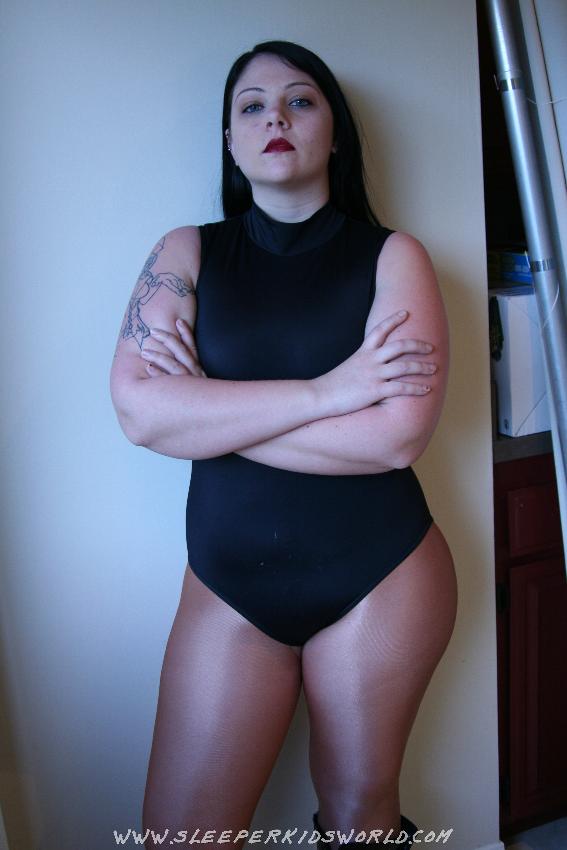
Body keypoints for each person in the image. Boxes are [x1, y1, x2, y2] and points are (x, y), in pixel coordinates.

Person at [110, 40, 457, 850]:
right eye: (252, 106)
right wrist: (330, 392)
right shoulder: (185, 252)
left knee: (358, 821)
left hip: (380, 574)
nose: (276, 117)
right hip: (228, 587)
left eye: (300, 101)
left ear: (333, 135)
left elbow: (394, 438)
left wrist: (209, 409)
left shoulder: (393, 256)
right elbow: (141, 415)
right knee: (179, 837)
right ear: (230, 142)